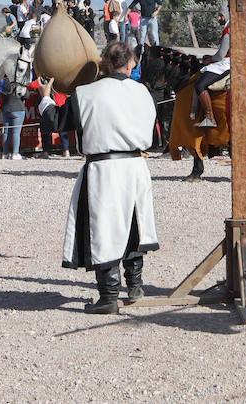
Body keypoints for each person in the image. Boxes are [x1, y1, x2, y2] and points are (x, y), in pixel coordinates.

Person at [61, 42, 160, 315]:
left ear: (104, 63)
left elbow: (58, 123)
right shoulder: (144, 92)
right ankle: (135, 286)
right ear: (131, 65)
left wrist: (46, 98)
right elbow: (156, 135)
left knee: (103, 229)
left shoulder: (85, 93)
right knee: (133, 224)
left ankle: (108, 298)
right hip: (135, 166)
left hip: (104, 169)